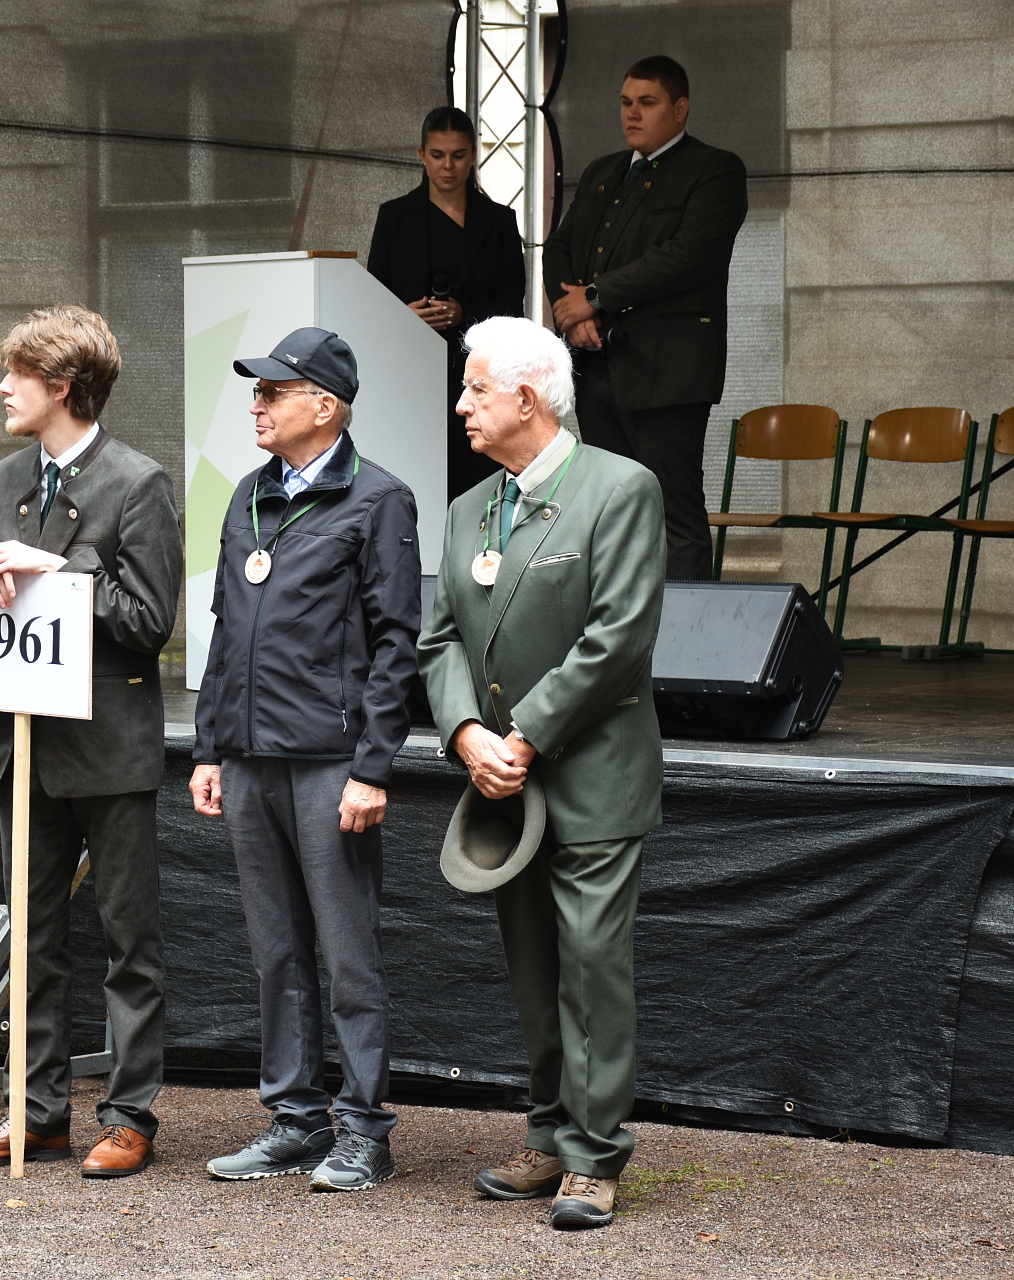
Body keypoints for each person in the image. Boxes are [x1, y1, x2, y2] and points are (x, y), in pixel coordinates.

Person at [418, 316, 665, 1231]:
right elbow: (440, 638)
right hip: (503, 783)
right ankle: (551, 1132)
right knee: (532, 969)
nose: (462, 405)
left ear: (527, 398)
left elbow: (618, 637)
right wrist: (464, 735)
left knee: (591, 967)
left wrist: (521, 735)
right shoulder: (468, 508)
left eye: (475, 389)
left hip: (590, 776)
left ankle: (594, 1158)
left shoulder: (620, 488)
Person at [0, 305, 183, 1179]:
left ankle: (129, 1117)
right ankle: (33, 1115)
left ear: (63, 387)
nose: (2, 388)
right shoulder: (9, 476)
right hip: (23, 739)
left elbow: (149, 621)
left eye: (18, 376)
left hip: (108, 748)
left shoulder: (139, 482)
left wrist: (60, 569)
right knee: (31, 940)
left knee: (128, 943)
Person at [189, 327, 420, 1192]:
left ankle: (363, 1130)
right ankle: (295, 1120)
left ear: (324, 406)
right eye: (255, 392)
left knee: (348, 954)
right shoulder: (248, 495)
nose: (256, 405)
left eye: (272, 392)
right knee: (276, 952)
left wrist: (372, 767)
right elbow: (224, 631)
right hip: (249, 759)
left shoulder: (379, 499)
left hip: (330, 762)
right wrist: (210, 746)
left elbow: (398, 644)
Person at [543, 55, 746, 583]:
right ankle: (620, 622)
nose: (632, 114)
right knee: (613, 511)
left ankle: (686, 628)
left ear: (680, 109)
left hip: (667, 373)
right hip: (598, 364)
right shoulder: (603, 172)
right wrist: (573, 316)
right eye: (626, 102)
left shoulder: (714, 169)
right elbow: (559, 247)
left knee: (672, 509)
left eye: (648, 103)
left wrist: (595, 296)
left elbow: (688, 255)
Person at [368, 106, 526, 499]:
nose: (448, 166)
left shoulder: (499, 221)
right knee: (411, 471)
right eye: (438, 155)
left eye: (458, 155)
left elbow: (513, 304)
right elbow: (372, 296)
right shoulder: (394, 217)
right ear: (422, 154)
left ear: (473, 154)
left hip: (478, 370)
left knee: (476, 471)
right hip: (409, 368)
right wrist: (404, 315)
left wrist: (465, 314)